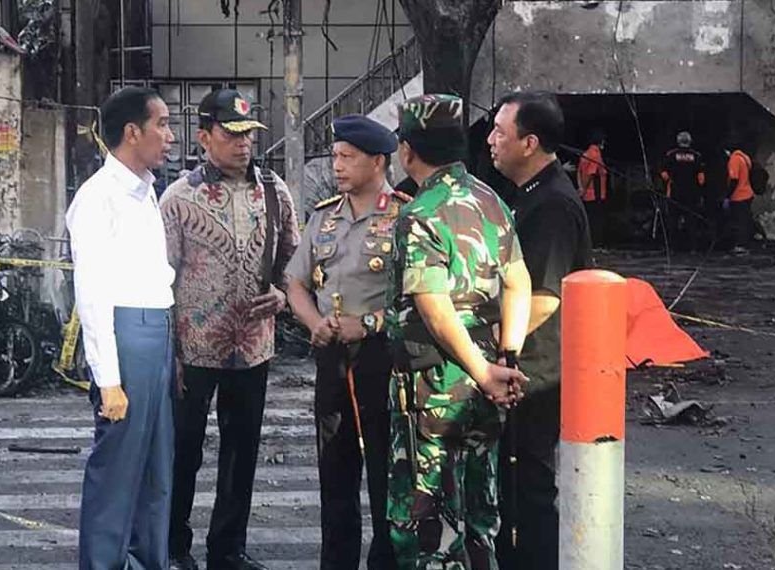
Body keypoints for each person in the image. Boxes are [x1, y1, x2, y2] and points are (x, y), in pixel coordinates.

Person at [385, 94, 532, 568]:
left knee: (425, 521)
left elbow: (434, 308)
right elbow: (519, 282)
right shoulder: (492, 201)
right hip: (487, 386)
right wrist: (505, 361)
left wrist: (481, 370)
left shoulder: (419, 214)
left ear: (407, 151)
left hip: (434, 390)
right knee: (478, 514)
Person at [162, 89, 300, 570]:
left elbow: (294, 263)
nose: (243, 144)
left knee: (241, 455)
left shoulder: (275, 192)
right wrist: (170, 353)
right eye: (231, 134)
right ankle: (174, 545)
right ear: (204, 138)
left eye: (248, 135)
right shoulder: (179, 197)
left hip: (253, 348)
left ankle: (227, 549)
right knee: (183, 453)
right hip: (194, 348)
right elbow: (162, 277)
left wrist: (283, 295)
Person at [286, 115, 406, 569]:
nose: (336, 166)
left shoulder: (403, 217)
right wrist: (313, 321)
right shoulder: (323, 217)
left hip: (383, 358)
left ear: (377, 162)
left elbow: (420, 301)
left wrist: (370, 323)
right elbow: (295, 282)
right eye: (335, 156)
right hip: (332, 358)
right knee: (334, 472)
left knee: (384, 472)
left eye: (347, 158)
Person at [67, 86, 177, 570]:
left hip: (156, 332)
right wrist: (108, 379)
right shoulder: (98, 198)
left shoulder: (145, 189)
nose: (170, 136)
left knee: (156, 470)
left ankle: (146, 561)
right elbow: (92, 295)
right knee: (117, 471)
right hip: (126, 335)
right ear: (133, 133)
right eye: (163, 124)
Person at [486, 90, 593, 570]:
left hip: (533, 372)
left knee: (528, 490)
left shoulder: (552, 204)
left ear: (529, 143)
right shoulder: (528, 193)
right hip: (520, 369)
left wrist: (496, 354)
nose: (490, 141)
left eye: (500, 132)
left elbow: (544, 300)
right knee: (511, 491)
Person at [659, 132, 707, 251]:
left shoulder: (671, 155)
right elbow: (701, 179)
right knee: (691, 221)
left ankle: (672, 248)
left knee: (673, 220)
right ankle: (693, 248)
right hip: (692, 193)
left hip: (675, 192)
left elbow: (663, 173)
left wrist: (669, 182)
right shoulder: (696, 156)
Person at [723, 141, 756, 253]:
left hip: (739, 195)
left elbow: (734, 179)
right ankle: (745, 244)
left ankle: (740, 245)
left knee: (738, 222)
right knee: (745, 221)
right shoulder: (745, 158)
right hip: (748, 193)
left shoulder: (734, 159)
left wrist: (727, 196)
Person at [577, 131, 608, 247]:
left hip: (587, 193)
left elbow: (579, 172)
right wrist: (584, 189)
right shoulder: (595, 154)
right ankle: (596, 244)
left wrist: (580, 187)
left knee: (590, 219)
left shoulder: (585, 154)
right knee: (597, 220)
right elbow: (592, 174)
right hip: (596, 193)